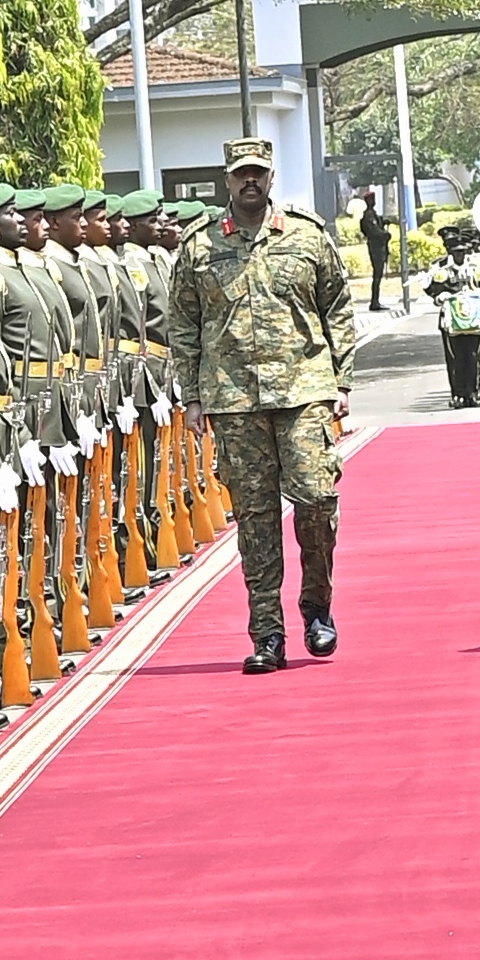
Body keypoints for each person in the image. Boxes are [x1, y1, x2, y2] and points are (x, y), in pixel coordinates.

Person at [168, 138, 354, 672]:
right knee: (255, 518)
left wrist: (341, 379)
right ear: (227, 180)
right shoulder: (200, 245)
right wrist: (194, 395)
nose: (249, 181)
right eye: (239, 174)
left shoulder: (306, 234)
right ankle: (267, 634)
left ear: (270, 177)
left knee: (317, 498)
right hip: (233, 398)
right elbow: (183, 323)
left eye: (258, 173)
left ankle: (317, 608)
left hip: (304, 390)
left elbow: (337, 305)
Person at [433, 217, 480, 407]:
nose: (459, 255)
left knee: (473, 356)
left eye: (462, 252)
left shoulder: (477, 268)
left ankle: (472, 392)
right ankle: (458, 394)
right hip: (452, 321)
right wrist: (441, 296)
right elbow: (433, 290)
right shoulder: (442, 269)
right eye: (455, 252)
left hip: (473, 319)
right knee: (455, 358)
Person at [357, 189, 392, 312]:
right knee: (377, 275)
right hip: (376, 247)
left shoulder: (373, 214)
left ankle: (376, 300)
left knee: (378, 275)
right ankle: (374, 302)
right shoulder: (369, 215)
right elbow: (374, 231)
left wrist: (383, 222)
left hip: (379, 246)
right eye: (372, 199)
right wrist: (385, 234)